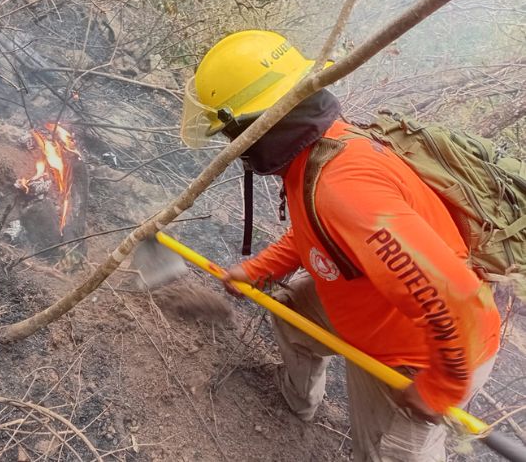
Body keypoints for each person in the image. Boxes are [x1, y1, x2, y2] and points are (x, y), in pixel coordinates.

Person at [180, 30, 502, 461]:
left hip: (421, 354)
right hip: (371, 312)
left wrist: (438, 387)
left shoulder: (345, 190)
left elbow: (459, 302)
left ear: (258, 128)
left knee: (387, 453)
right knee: (293, 313)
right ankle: (297, 401)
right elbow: (315, 233)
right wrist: (257, 270)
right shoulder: (320, 152)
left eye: (231, 134)